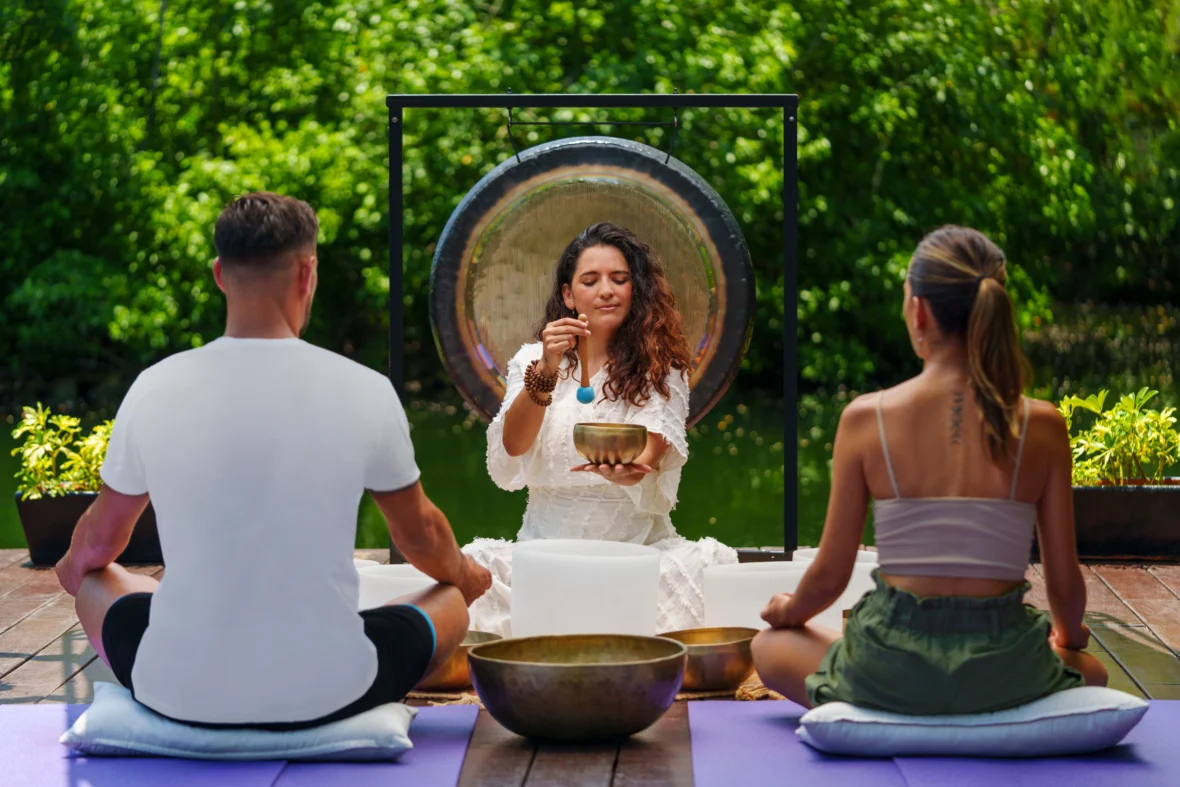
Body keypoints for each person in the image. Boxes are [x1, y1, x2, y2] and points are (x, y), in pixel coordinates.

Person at [55, 192, 491, 729]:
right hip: (329, 694)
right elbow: (420, 535)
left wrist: (72, 567)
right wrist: (467, 575)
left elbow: (100, 541)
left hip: (177, 693)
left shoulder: (153, 386)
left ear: (219, 274)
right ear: (307, 274)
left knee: (100, 584)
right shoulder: (364, 389)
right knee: (448, 600)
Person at [752, 225, 1107, 715]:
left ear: (918, 311)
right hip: (1001, 673)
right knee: (1090, 669)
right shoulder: (1043, 425)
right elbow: (1064, 584)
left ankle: (895, 712)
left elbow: (830, 576)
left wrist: (788, 610)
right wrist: (1068, 637)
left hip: (890, 671)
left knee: (769, 646)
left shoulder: (865, 418)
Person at [463, 221, 737, 636]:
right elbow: (514, 445)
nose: (607, 290)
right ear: (568, 295)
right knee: (473, 565)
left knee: (712, 568)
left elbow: (650, 452)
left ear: (635, 289)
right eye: (590, 281)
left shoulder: (662, 366)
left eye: (619, 279)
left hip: (634, 559)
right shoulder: (533, 359)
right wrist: (547, 370)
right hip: (543, 558)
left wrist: (626, 470)